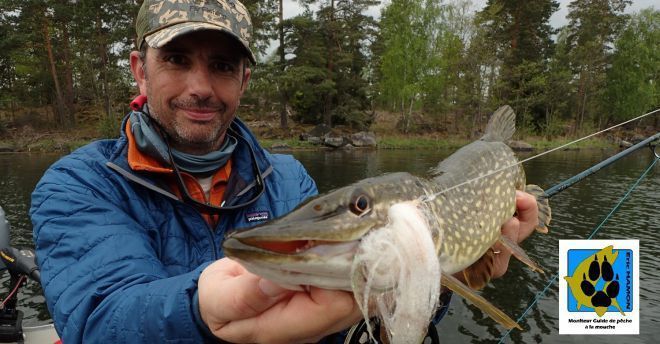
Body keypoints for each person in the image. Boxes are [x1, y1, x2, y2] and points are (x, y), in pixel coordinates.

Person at [29, 1, 540, 343]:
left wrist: (439, 279)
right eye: (177, 60)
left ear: (244, 79)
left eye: (223, 66)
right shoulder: (79, 184)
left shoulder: (288, 180)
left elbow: (348, 326)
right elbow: (98, 320)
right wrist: (201, 309)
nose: (201, 86)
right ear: (140, 68)